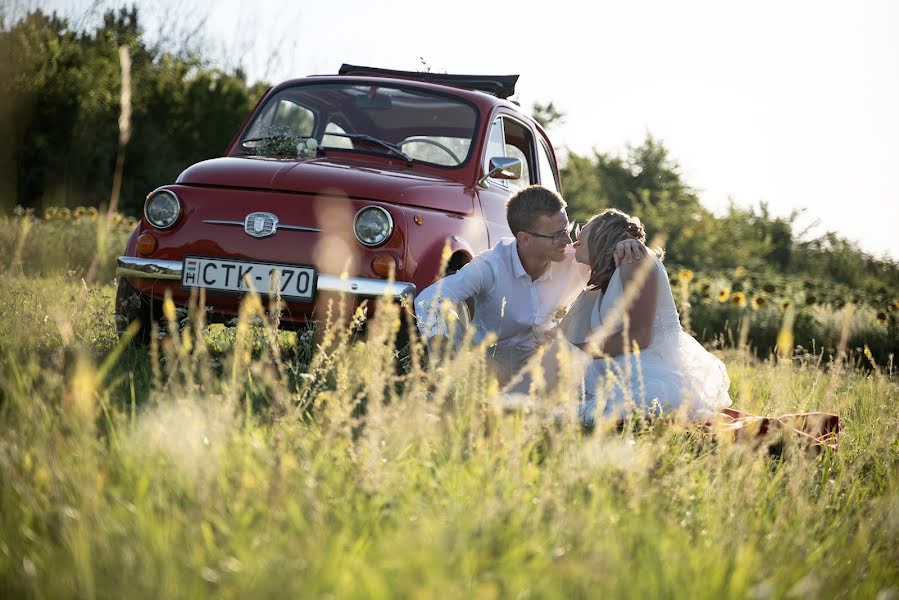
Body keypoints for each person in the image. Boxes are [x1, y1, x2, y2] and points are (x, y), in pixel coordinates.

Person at [414, 185, 645, 385]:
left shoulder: (575, 258)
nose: (567, 241)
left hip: (552, 366)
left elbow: (616, 254)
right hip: (490, 367)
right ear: (525, 238)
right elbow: (429, 298)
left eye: (566, 229)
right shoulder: (490, 266)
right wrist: (441, 344)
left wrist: (624, 243)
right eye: (557, 235)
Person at [565, 208, 732, 425]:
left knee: (578, 414)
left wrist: (574, 351)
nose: (574, 241)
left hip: (652, 374)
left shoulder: (634, 260)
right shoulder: (616, 267)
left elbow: (639, 336)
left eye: (582, 232)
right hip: (624, 372)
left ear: (601, 232)